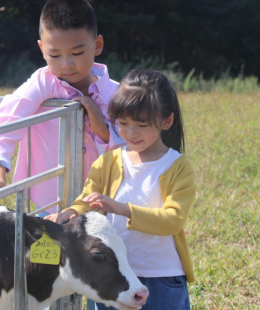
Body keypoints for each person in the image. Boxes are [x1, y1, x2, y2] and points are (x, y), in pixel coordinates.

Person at [45, 69, 195, 310]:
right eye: (123, 123)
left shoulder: (177, 166)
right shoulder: (108, 161)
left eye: (141, 125)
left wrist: (123, 209)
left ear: (167, 121)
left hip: (160, 277)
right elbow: (86, 201)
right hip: (110, 274)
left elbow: (173, 220)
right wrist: (70, 212)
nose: (130, 133)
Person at [0, 0, 124, 215]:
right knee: (51, 248)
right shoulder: (43, 82)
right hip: (52, 203)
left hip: (104, 203)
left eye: (77, 52)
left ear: (98, 45)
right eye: (54, 54)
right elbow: (8, 123)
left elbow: (134, 146)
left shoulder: (116, 93)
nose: (67, 64)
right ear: (41, 49)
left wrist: (101, 127)